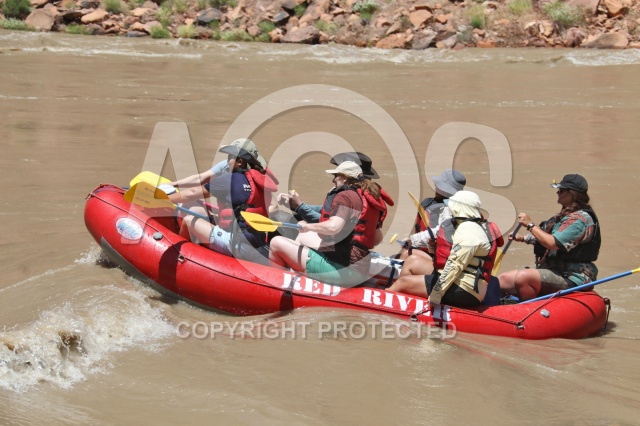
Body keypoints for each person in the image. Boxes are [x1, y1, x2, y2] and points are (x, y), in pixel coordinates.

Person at [269, 161, 389, 286]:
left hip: (342, 272)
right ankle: (298, 278)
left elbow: (333, 227)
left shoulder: (345, 196)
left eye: (336, 176)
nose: (333, 180)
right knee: (303, 235)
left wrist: (307, 226)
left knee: (276, 243)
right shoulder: (368, 198)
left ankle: (277, 286)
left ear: (345, 178)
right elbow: (377, 239)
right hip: (361, 271)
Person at [168, 138, 278, 262]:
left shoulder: (229, 179)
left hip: (237, 246)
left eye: (230, 157)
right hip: (257, 243)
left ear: (240, 162)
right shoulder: (260, 182)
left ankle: (179, 256)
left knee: (189, 221)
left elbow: (192, 193)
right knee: (205, 214)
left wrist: (166, 199)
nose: (227, 161)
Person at [388, 191, 503, 308]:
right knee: (412, 262)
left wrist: (436, 294)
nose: (450, 210)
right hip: (458, 279)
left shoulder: (469, 231)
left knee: (402, 283)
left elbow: (455, 264)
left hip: (465, 289)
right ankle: (408, 300)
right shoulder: (469, 225)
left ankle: (390, 302)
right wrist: (433, 247)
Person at [498, 174, 600, 301]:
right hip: (555, 270)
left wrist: (530, 225)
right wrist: (524, 238)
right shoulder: (566, 215)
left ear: (572, 194)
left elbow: (553, 243)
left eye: (561, 190)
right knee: (502, 280)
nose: (558, 192)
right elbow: (552, 238)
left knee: (523, 277)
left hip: (573, 277)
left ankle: (531, 309)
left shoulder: (580, 220)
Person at [396, 169, 466, 261]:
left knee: (405, 255)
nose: (435, 186)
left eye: (439, 185)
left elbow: (439, 231)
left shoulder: (452, 210)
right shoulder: (429, 203)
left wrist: (412, 240)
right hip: (431, 250)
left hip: (444, 256)